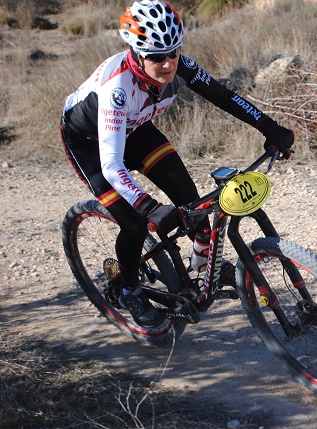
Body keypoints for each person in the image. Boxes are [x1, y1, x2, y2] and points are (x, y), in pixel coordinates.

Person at [60, 0, 294, 328]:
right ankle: (129, 290)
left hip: (135, 130)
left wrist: (268, 126)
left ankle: (201, 272)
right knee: (135, 224)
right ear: (137, 53)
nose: (168, 63)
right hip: (91, 145)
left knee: (193, 205)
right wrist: (148, 206)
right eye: (157, 56)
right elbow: (112, 164)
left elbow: (224, 97)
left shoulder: (181, 66)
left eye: (174, 52)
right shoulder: (117, 89)